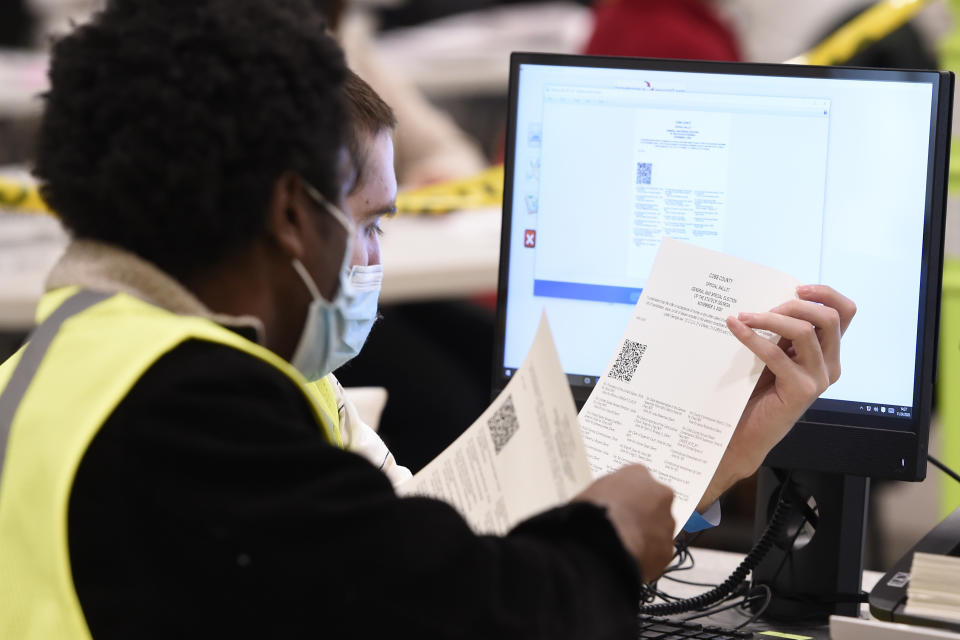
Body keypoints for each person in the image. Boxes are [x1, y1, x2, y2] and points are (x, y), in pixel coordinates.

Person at [0, 1, 854, 639]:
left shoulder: (79, 365)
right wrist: (602, 545)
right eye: (368, 221)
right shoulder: (189, 408)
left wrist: (708, 458)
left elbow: (416, 546)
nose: (373, 252)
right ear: (292, 214)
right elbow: (446, 612)